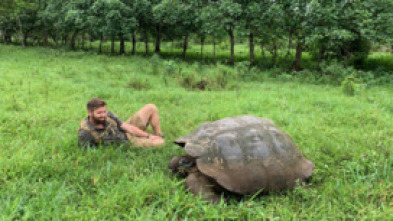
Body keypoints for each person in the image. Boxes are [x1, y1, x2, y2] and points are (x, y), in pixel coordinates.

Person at [78, 98, 164, 148]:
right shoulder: (85, 133)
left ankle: (158, 134)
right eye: (99, 113)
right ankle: (156, 139)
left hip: (124, 131)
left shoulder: (108, 115)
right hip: (126, 141)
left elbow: (126, 126)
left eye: (104, 111)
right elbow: (86, 152)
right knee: (160, 142)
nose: (103, 115)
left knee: (151, 107)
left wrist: (148, 136)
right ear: (90, 112)